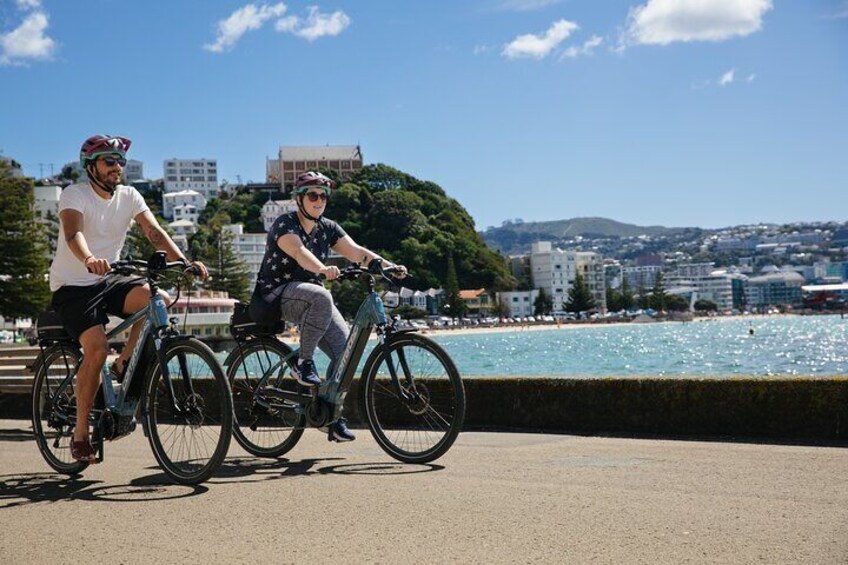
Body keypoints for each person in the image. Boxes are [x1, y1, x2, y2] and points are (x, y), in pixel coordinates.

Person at [49, 134, 208, 462]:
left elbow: (155, 233)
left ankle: (124, 364)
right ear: (91, 166)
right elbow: (72, 233)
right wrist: (89, 258)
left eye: (120, 162)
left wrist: (184, 263)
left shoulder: (130, 195)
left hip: (107, 279)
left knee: (157, 298)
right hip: (73, 285)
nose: (117, 167)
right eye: (110, 161)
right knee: (96, 348)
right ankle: (80, 433)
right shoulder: (74, 194)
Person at [250, 171, 406, 443]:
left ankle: (330, 416)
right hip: (276, 295)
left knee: (345, 351)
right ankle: (304, 362)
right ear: (299, 199)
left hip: (310, 296)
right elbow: (300, 253)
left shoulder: (328, 228)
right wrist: (322, 269)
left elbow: (357, 252)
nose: (319, 200)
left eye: (323, 196)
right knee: (322, 296)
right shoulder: (284, 224)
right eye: (312, 195)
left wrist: (388, 266)